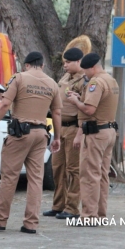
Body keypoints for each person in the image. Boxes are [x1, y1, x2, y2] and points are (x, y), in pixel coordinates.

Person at [0, 51, 62, 234]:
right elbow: (56, 113)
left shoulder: (19, 78)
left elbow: (4, 104)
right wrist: (57, 137)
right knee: (35, 179)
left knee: (10, 177)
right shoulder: (52, 83)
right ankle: (31, 223)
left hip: (20, 134)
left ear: (26, 65)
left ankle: (0, 219)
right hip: (41, 134)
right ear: (41, 65)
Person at [66, 53, 119, 227]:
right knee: (103, 175)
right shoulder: (112, 81)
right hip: (109, 131)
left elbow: (89, 110)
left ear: (92, 68)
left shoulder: (96, 82)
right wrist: (81, 98)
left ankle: (88, 215)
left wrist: (75, 101)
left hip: (96, 133)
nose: (85, 75)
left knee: (89, 175)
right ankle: (100, 214)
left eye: (86, 71)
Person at [42, 48, 85, 220]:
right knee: (57, 168)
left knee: (73, 170)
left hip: (75, 128)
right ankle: (58, 205)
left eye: (68, 62)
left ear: (78, 62)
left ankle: (72, 208)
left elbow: (88, 108)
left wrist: (80, 133)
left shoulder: (85, 80)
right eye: (64, 62)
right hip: (60, 127)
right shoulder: (65, 77)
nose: (65, 65)